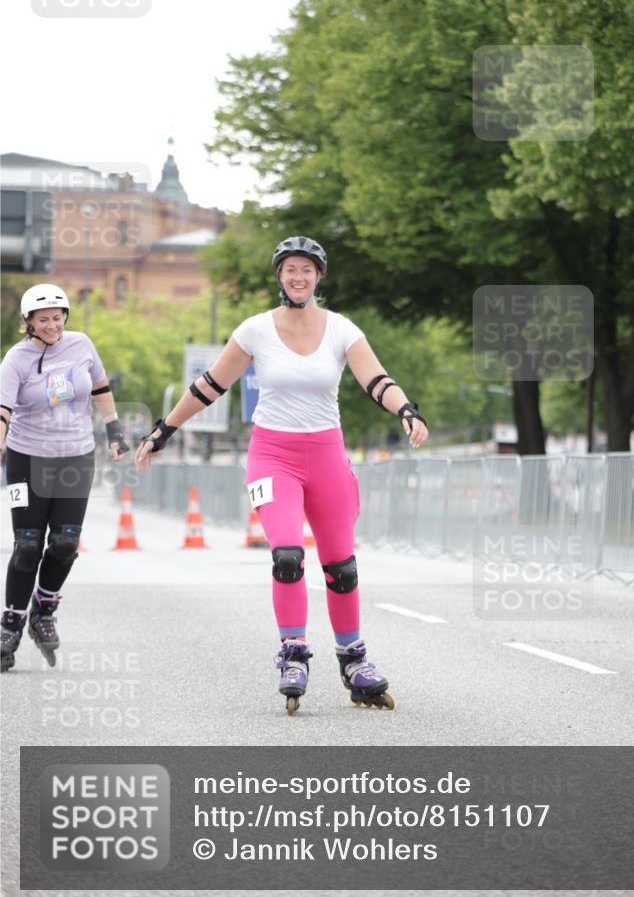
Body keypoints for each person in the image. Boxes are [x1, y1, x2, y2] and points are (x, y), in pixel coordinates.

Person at [134, 237, 428, 714]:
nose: (298, 277)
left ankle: (353, 660)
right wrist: (163, 430)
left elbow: (377, 379)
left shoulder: (340, 330)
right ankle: (293, 653)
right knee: (287, 556)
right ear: (279, 275)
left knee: (341, 566)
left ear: (318, 277)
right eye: (290, 269)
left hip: (327, 457)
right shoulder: (255, 330)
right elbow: (209, 385)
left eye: (306, 270)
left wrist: (407, 411)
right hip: (273, 456)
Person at [0, 284, 129, 671]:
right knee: (27, 545)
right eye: (44, 319)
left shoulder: (82, 345)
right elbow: (3, 410)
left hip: (75, 456)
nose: (53, 325)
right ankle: (10, 625)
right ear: (29, 322)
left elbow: (101, 387)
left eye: (58, 317)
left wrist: (114, 430)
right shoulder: (15, 360)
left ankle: (44, 609)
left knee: (65, 543)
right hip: (25, 459)